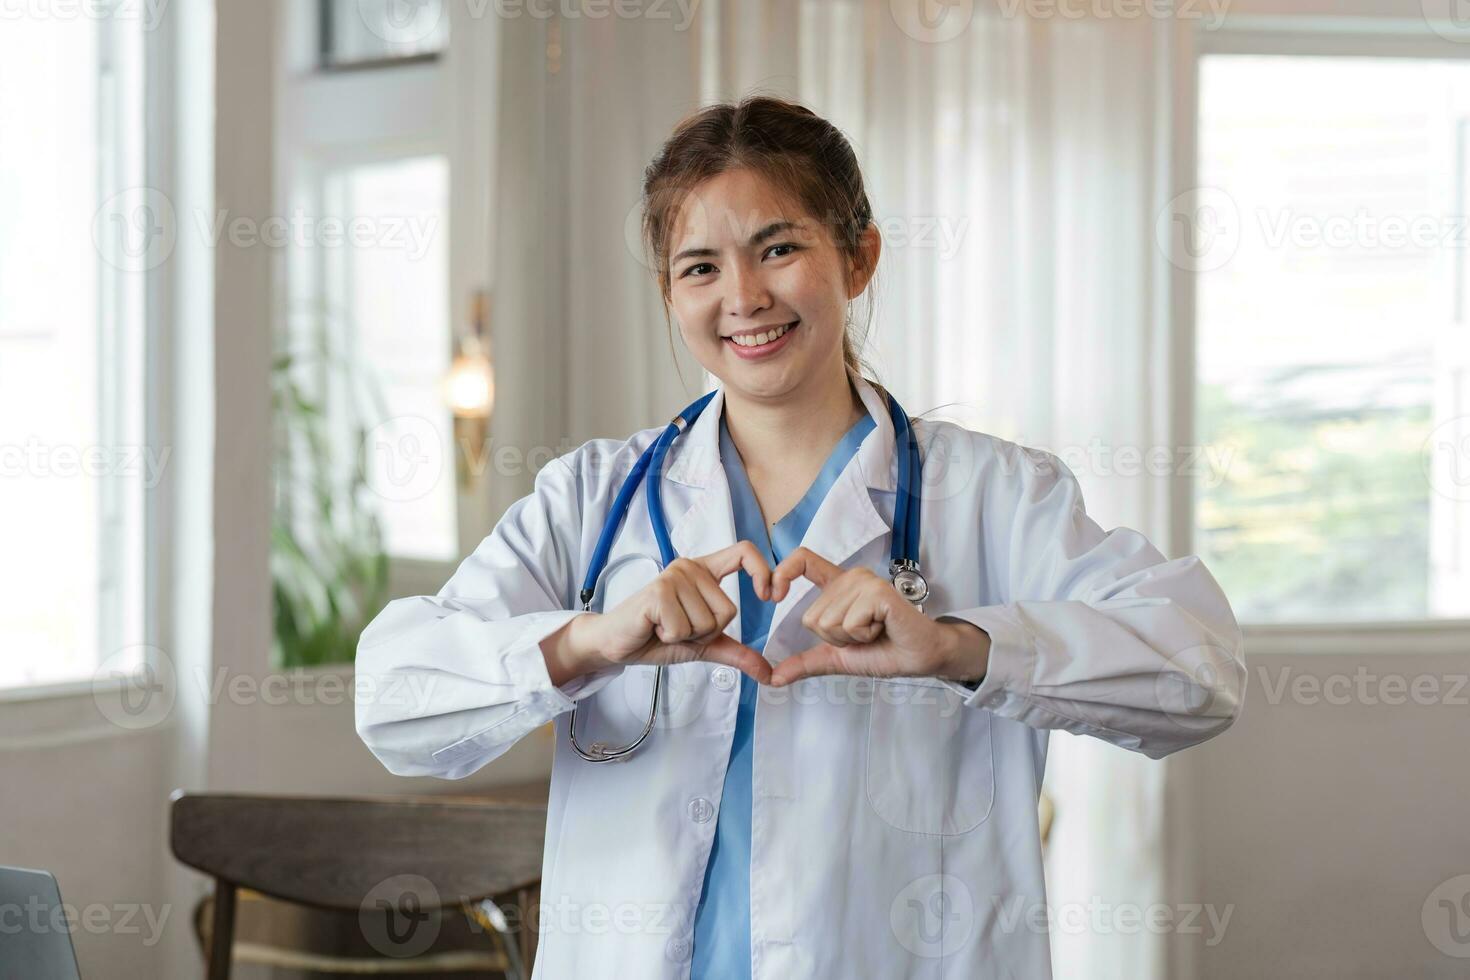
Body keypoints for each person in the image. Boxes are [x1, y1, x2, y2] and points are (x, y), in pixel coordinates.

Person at [355, 95, 1246, 980]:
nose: (743, 297)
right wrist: (589, 641)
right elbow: (393, 701)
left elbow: (1199, 673)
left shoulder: (994, 495)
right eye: (699, 267)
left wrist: (960, 648)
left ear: (857, 259)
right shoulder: (592, 499)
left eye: (779, 248)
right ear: (669, 292)